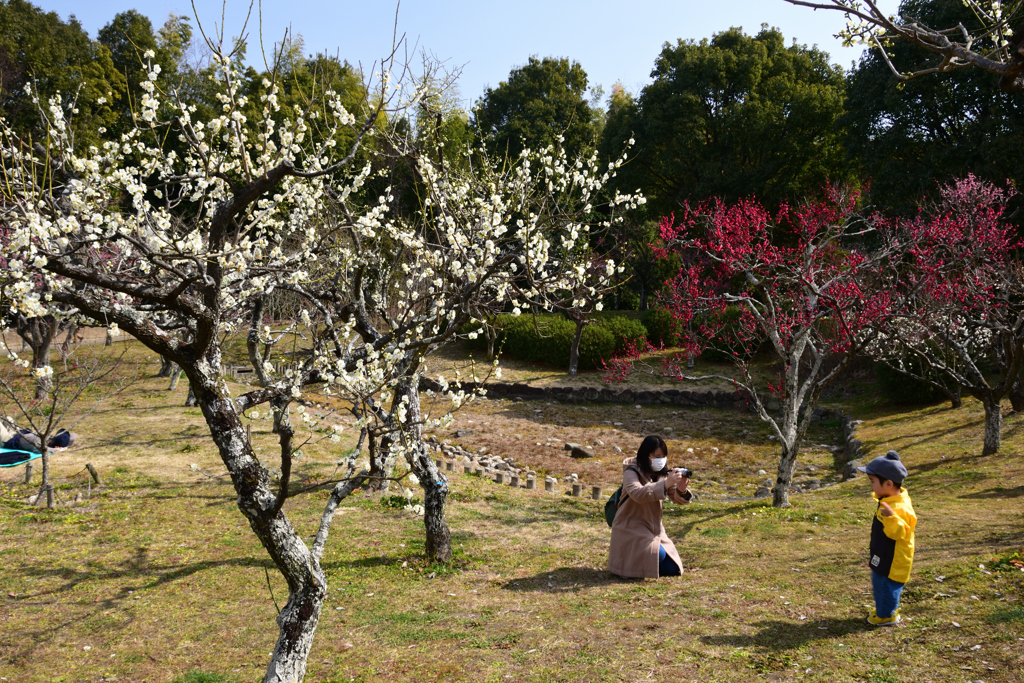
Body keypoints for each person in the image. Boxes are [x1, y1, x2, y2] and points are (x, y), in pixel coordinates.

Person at [608, 435, 692, 578]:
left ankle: (638, 567)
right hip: (630, 527)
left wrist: (681, 490)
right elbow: (637, 493)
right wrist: (665, 484)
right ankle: (626, 569)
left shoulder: (662, 474)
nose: (661, 460)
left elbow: (677, 498)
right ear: (646, 455)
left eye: (663, 456)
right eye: (657, 456)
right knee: (656, 554)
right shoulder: (631, 471)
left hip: (654, 530)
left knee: (672, 569)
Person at [859, 450, 917, 626]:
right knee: (879, 580)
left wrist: (891, 517)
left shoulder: (899, 508)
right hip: (883, 551)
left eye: (873, 482)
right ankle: (887, 608)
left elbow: (898, 532)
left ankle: (886, 615)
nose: (871, 486)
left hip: (893, 558)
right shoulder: (889, 499)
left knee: (886, 583)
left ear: (888, 484)